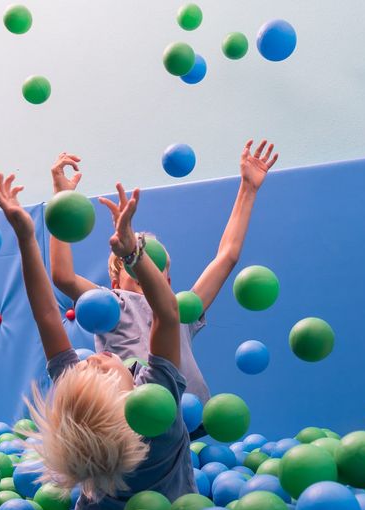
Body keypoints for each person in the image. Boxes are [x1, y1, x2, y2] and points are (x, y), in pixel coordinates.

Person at [0, 172, 193, 510]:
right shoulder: (156, 413)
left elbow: (47, 314)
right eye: (103, 371)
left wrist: (25, 237)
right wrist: (133, 253)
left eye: (88, 368)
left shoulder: (82, 395)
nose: (95, 360)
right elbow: (168, 314)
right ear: (133, 403)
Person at [47, 140, 279, 405]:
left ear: (166, 282)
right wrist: (61, 199)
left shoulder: (181, 310)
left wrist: (248, 188)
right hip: (131, 415)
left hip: (186, 418)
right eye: (133, 263)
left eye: (155, 266)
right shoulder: (111, 304)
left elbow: (227, 256)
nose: (144, 267)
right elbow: (63, 277)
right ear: (115, 282)